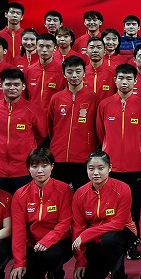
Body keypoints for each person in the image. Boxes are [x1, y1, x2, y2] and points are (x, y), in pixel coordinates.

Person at [71, 151, 138, 279]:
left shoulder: (123, 188)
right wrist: (80, 262)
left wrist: (87, 233)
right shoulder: (80, 194)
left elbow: (118, 224)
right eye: (91, 168)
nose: (96, 172)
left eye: (100, 168)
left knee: (110, 239)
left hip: (123, 233)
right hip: (95, 240)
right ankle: (109, 263)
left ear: (110, 168)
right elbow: (78, 229)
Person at [9, 148, 74, 279]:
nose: (39, 170)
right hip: (32, 245)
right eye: (34, 166)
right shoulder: (20, 194)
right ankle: (37, 274)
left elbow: (65, 222)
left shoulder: (64, 189)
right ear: (28, 168)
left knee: (49, 255)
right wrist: (19, 262)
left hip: (58, 242)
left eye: (44, 166)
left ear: (52, 166)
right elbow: (18, 230)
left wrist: (47, 241)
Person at [96, 64, 141, 222]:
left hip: (134, 163)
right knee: (110, 204)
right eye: (121, 78)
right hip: (110, 164)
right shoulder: (104, 105)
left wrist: (135, 147)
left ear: (135, 81)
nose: (124, 82)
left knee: (134, 203)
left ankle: (133, 234)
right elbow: (101, 132)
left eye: (128, 78)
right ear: (115, 80)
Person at [0, 68, 48, 193]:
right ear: (0, 86)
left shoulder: (34, 110)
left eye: (16, 84)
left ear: (23, 86)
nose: (12, 88)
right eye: (8, 84)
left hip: (24, 169)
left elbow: (41, 135)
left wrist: (26, 147)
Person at [47, 55, 100, 191]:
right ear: (64, 74)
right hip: (58, 155)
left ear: (84, 73)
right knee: (57, 194)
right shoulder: (56, 98)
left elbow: (98, 128)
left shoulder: (93, 98)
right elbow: (51, 126)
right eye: (70, 72)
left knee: (83, 195)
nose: (74, 75)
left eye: (78, 71)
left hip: (84, 157)